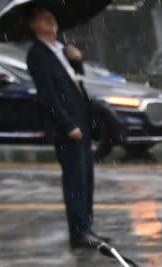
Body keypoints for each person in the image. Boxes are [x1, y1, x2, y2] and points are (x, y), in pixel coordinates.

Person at [24, 5, 99, 248]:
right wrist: (66, 124)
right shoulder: (37, 55)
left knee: (86, 176)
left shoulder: (62, 49)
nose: (51, 21)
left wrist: (77, 62)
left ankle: (87, 226)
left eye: (51, 17)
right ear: (33, 25)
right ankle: (78, 232)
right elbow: (48, 95)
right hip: (68, 126)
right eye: (43, 18)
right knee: (75, 179)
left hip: (81, 119)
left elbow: (77, 83)